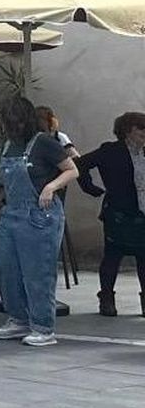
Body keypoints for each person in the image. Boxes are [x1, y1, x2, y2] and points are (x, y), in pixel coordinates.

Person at [0, 97, 79, 346]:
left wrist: (51, 187)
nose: (9, 126)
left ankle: (43, 326)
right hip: (12, 213)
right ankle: (18, 318)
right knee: (7, 269)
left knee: (37, 272)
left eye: (11, 121)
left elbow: (72, 169)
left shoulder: (44, 143)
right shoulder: (7, 145)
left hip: (40, 215)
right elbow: (7, 180)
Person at [76, 112, 145, 316]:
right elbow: (80, 164)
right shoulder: (111, 151)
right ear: (127, 131)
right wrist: (91, 188)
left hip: (143, 212)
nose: (144, 134)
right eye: (140, 130)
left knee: (144, 257)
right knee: (112, 256)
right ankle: (106, 298)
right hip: (118, 212)